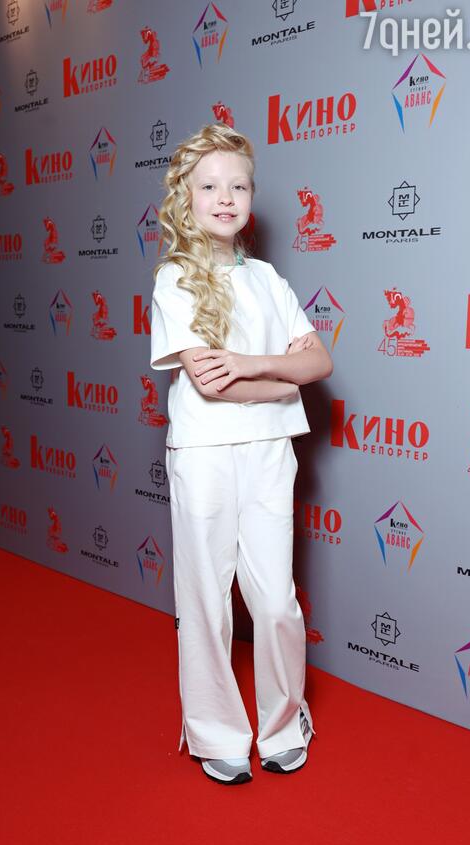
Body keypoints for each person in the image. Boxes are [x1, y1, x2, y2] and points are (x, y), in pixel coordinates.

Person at [149, 123, 333, 785]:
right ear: (186, 198)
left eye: (238, 186)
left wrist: (254, 365)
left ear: (252, 197)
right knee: (206, 598)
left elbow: (319, 361)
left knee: (276, 600)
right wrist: (283, 378)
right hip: (204, 452)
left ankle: (284, 722)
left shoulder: (268, 278)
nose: (225, 198)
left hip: (270, 454)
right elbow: (210, 385)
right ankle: (215, 732)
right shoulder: (175, 279)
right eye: (209, 186)